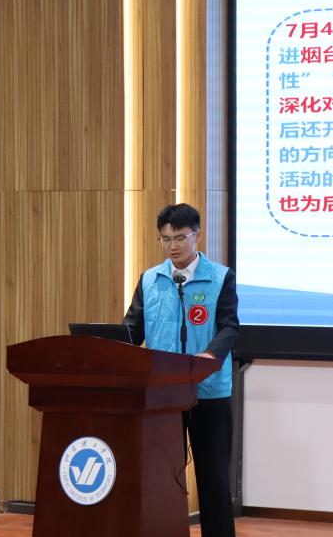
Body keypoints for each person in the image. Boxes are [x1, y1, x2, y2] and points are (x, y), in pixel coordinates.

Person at [123, 203, 239, 537]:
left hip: (208, 391)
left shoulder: (220, 277)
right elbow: (132, 329)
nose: (172, 246)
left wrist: (209, 355)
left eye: (179, 238)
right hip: (163, 395)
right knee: (161, 474)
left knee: (213, 477)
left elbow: (229, 327)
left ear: (197, 236)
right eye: (165, 239)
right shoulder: (151, 279)